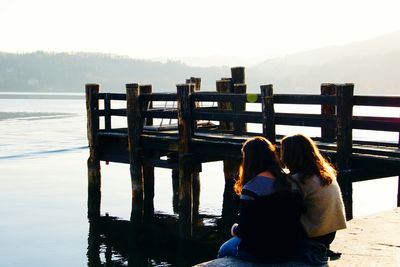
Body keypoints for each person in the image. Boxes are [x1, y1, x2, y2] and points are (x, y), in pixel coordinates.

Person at [218, 136, 304, 262]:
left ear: (248, 160)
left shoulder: (251, 188)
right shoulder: (290, 182)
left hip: (261, 251)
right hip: (291, 248)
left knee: (223, 250)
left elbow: (245, 230)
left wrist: (234, 228)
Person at [280, 134, 347, 254]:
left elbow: (287, 211)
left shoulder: (299, 180)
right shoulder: (325, 174)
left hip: (312, 235)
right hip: (329, 234)